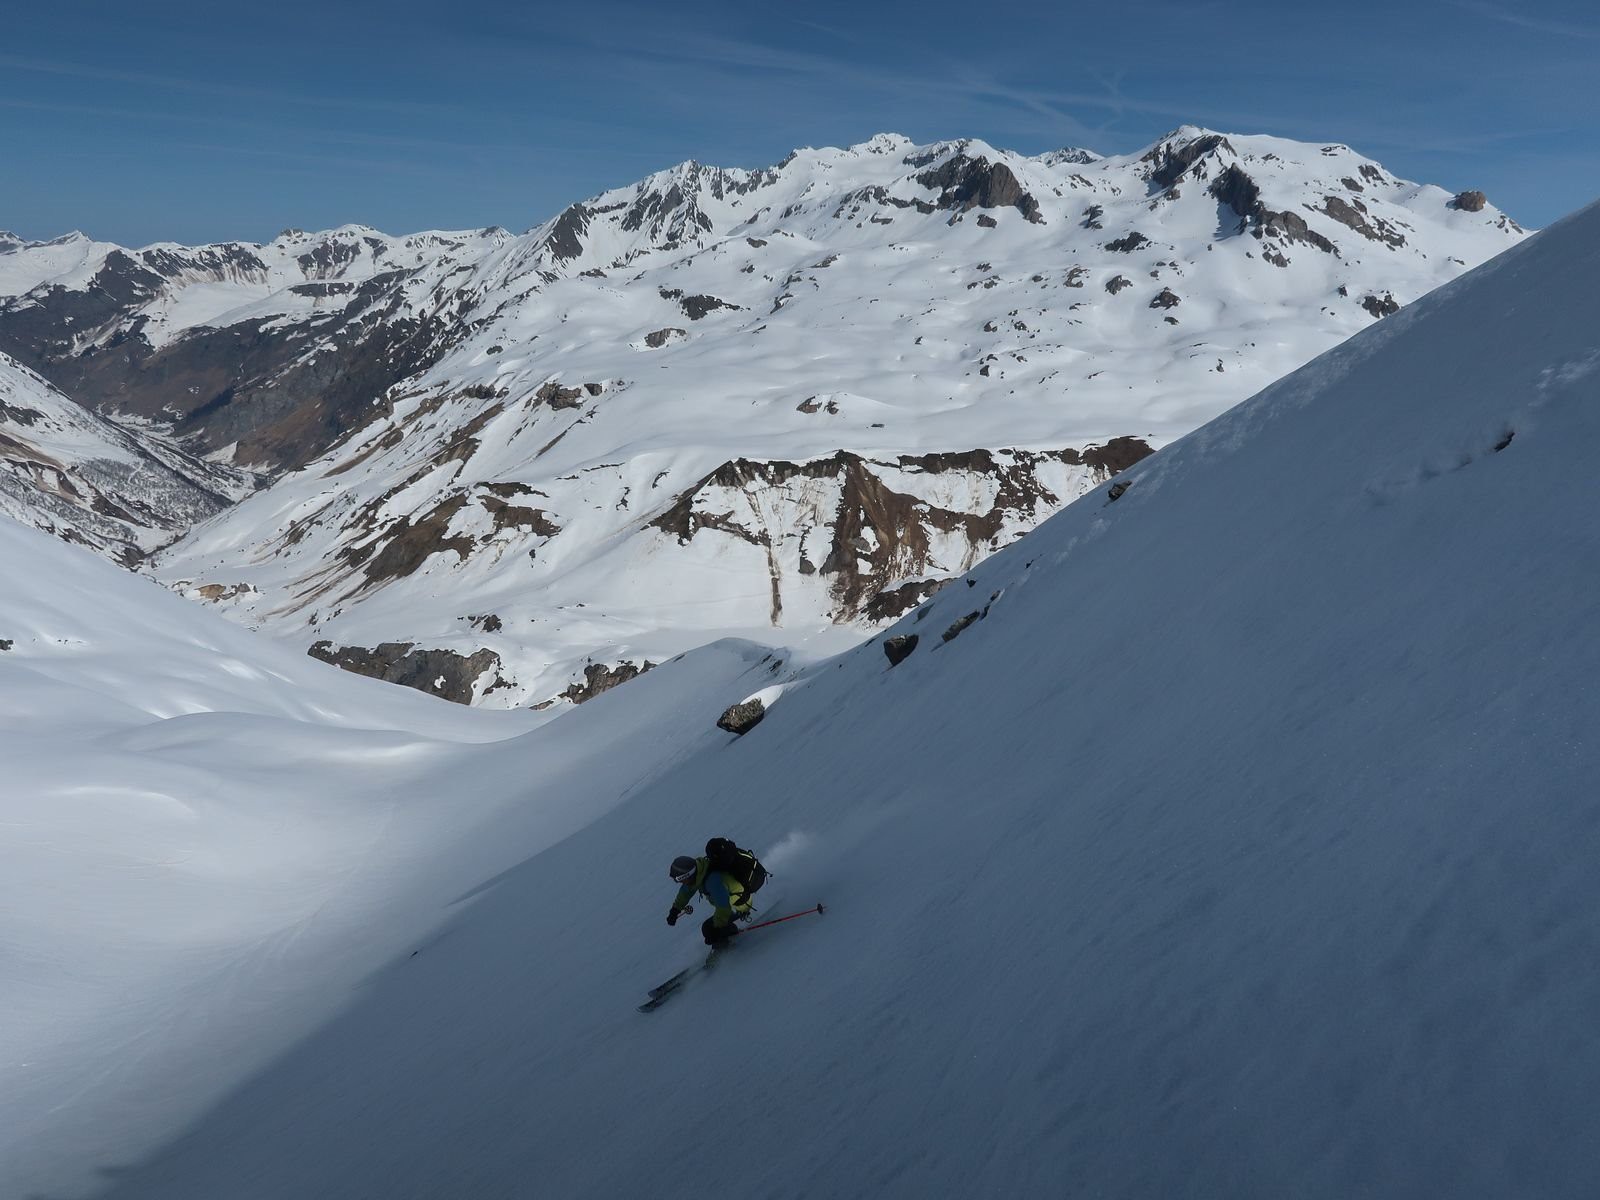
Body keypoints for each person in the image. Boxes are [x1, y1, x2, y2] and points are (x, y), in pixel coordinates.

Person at [666, 838, 768, 949]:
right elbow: (686, 891)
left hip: (740, 903)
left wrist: (719, 928)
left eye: (680, 880)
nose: (681, 883)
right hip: (731, 902)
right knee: (712, 928)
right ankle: (725, 937)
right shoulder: (700, 871)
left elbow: (723, 906)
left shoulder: (713, 881)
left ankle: (725, 947)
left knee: (709, 929)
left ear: (687, 876)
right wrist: (675, 910)